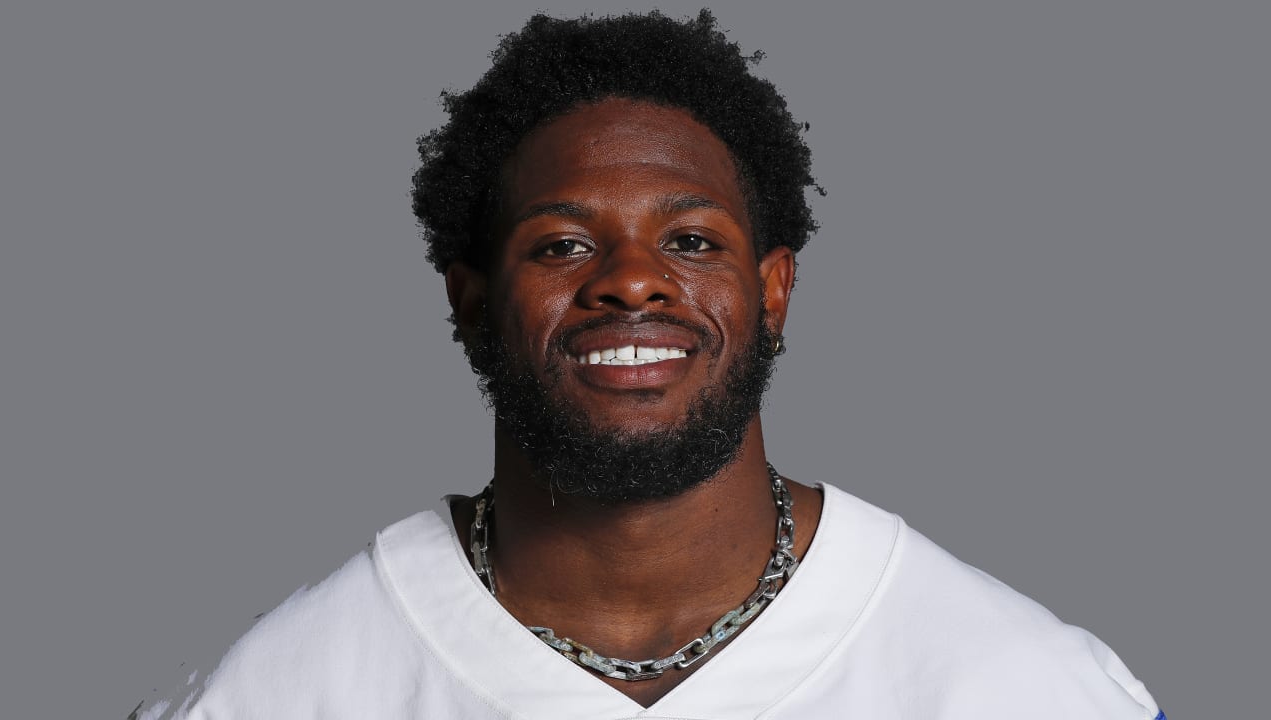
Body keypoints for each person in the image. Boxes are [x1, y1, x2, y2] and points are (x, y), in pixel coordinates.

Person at [146, 11, 1164, 719]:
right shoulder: (280, 693)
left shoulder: (1012, 687)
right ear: (470, 303)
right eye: (560, 245)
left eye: (689, 241)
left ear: (770, 291)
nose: (631, 283)